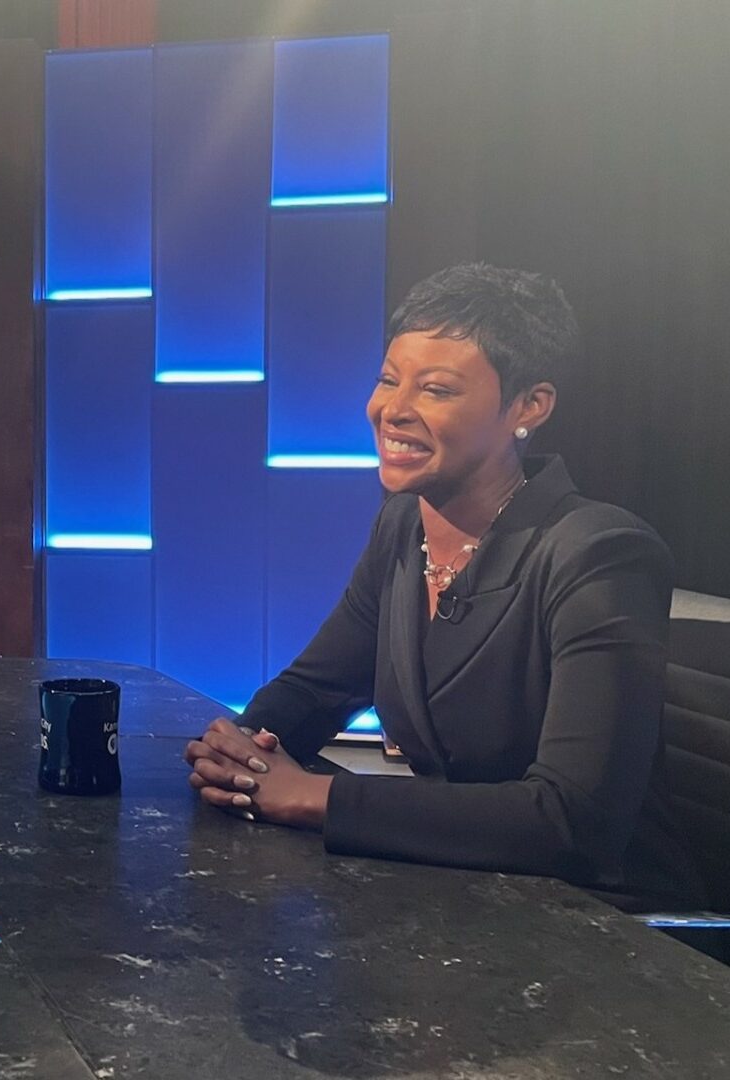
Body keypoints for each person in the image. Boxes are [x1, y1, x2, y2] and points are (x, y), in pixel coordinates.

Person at [184, 263, 704, 910]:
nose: (393, 410)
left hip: (613, 928)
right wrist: (242, 755)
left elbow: (571, 821)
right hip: (467, 898)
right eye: (387, 380)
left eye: (436, 389)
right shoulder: (404, 528)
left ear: (528, 407)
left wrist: (317, 796)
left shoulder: (600, 555)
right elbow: (314, 689)